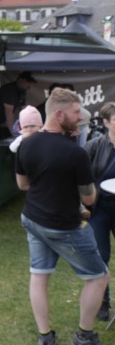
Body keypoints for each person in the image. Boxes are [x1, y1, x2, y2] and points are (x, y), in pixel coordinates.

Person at [16, 88, 110, 345]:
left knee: (39, 275)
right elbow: (89, 198)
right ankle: (84, 336)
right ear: (59, 114)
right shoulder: (75, 153)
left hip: (32, 219)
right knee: (99, 277)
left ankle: (45, 337)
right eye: (76, 112)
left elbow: (23, 184)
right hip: (63, 226)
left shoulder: (26, 144)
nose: (80, 117)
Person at [85, 101, 115, 322]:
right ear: (106, 123)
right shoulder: (94, 146)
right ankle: (102, 302)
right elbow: (78, 174)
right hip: (100, 208)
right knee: (101, 256)